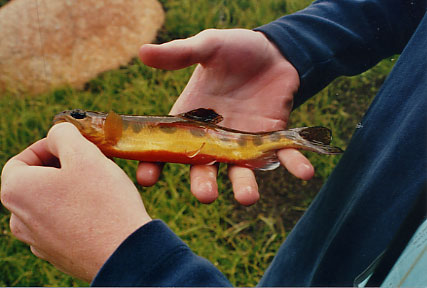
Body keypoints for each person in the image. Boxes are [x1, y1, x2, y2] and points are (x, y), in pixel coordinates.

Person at [1, 0, 426, 286]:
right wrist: (297, 42)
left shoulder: (110, 129)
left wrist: (131, 264)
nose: (73, 121)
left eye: (79, 117)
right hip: (338, 236)